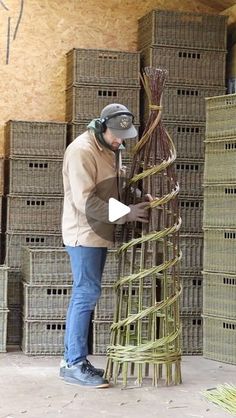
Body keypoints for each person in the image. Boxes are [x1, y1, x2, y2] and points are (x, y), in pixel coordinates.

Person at [61, 103, 149, 388]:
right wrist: (127, 213)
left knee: (88, 293)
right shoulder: (81, 151)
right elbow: (85, 201)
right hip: (83, 233)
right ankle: (73, 364)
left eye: (124, 136)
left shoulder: (111, 148)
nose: (120, 140)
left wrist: (136, 192)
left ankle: (75, 361)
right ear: (101, 126)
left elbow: (115, 181)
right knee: (85, 294)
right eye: (116, 135)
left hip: (99, 232)